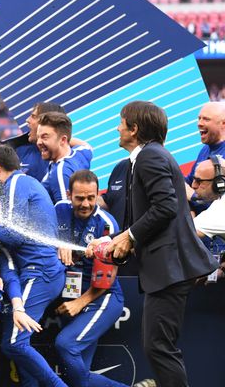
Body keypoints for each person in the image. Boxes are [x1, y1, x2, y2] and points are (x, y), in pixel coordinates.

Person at [88, 101, 216, 387]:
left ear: (134, 129)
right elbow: (147, 217)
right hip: (167, 269)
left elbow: (165, 207)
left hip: (171, 269)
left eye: (121, 123)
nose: (117, 128)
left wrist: (129, 237)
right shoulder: (144, 159)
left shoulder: (149, 157)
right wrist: (112, 239)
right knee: (158, 347)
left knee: (159, 348)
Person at [0, 145, 67, 387]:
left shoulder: (16, 183)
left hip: (38, 273)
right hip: (37, 272)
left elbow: (13, 234)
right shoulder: (24, 183)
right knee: (18, 344)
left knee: (14, 344)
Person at [53, 170, 127, 387]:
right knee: (76, 376)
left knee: (66, 346)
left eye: (90, 198)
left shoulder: (107, 225)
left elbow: (108, 277)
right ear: (69, 195)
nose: (85, 203)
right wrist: (59, 243)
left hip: (101, 298)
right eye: (79, 198)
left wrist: (79, 303)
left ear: (97, 195)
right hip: (72, 295)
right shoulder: (58, 210)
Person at [37, 112, 93, 203]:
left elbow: (66, 212)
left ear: (63, 140)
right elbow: (88, 146)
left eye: (45, 137)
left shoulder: (60, 173)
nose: (38, 142)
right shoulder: (80, 153)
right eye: (38, 137)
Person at [6, 102, 65, 181]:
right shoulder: (18, 151)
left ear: (48, 122)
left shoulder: (66, 161)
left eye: (33, 116)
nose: (27, 120)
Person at [185, 102, 225, 206]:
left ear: (223, 123)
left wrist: (193, 197)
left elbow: (218, 201)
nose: (199, 123)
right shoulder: (204, 150)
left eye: (206, 119)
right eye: (199, 118)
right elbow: (187, 182)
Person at [192, 156, 225, 241]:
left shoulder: (219, 211)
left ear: (219, 184)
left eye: (199, 181)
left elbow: (184, 232)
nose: (193, 185)